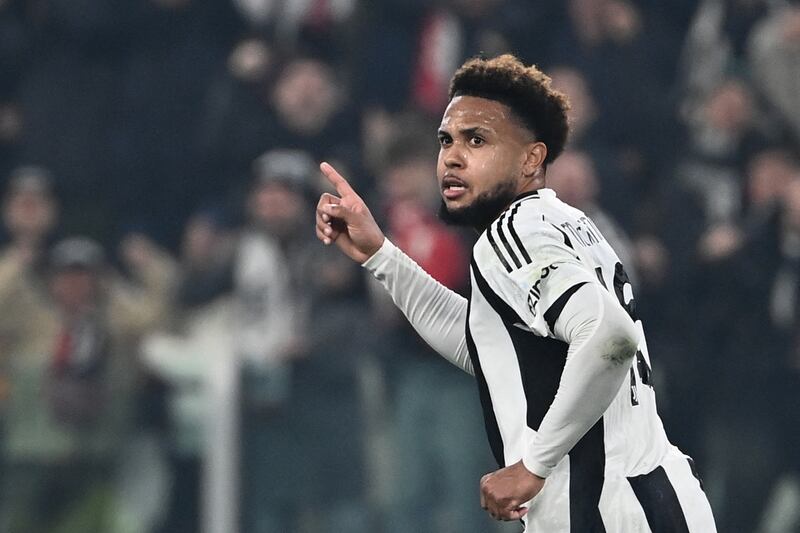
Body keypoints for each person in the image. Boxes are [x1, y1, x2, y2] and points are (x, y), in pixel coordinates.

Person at [314, 54, 717, 531]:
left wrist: (533, 466)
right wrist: (383, 256)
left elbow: (611, 338)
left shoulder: (514, 232)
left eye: (477, 140)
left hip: (604, 510)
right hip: (653, 496)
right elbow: (492, 348)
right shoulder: (569, 222)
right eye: (446, 141)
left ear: (531, 158)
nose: (453, 157)